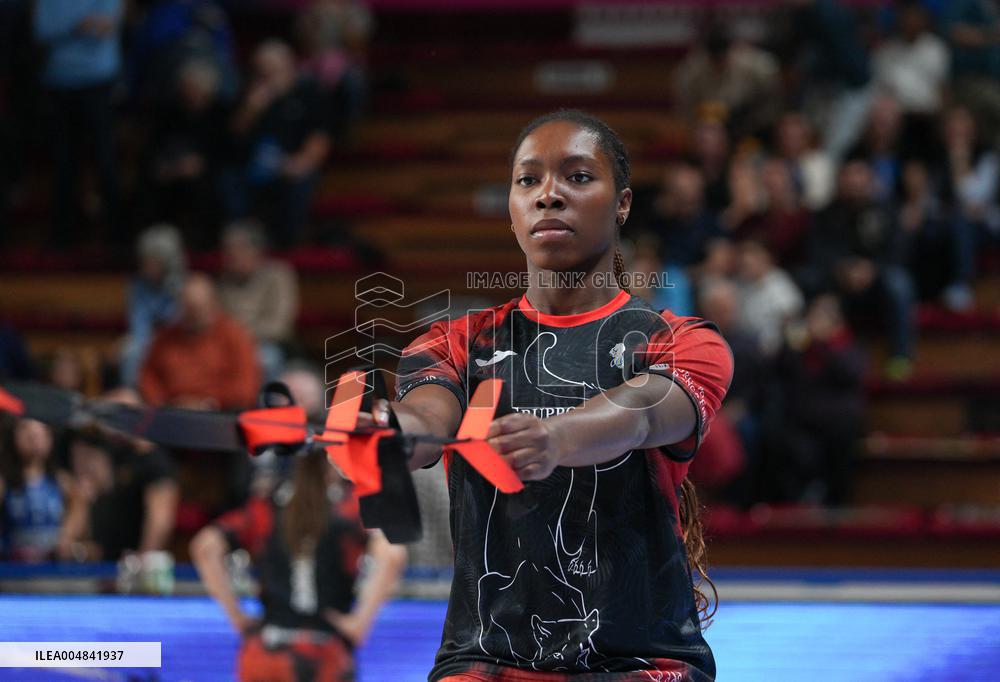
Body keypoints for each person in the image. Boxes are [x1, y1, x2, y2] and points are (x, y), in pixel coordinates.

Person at [366, 111, 733, 680]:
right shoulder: (453, 343)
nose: (549, 196)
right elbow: (425, 419)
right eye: (528, 180)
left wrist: (554, 436)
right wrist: (388, 432)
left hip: (642, 665)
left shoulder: (682, 341)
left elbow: (642, 413)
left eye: (579, 177)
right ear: (512, 213)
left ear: (623, 203)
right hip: (485, 664)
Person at [190, 447, 407, 681]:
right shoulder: (348, 510)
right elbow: (393, 554)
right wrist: (360, 622)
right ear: (332, 464)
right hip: (323, 652)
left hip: (266, 649)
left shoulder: (264, 507)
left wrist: (237, 616)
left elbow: (205, 547)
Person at [34, 0, 124, 249]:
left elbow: (106, 25)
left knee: (105, 159)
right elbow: (42, 30)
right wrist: (78, 25)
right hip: (59, 83)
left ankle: (116, 235)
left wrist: (67, 30)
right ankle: (64, 235)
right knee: (64, 162)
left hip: (99, 81)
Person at [138, 273, 261, 411]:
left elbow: (245, 388)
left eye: (199, 308)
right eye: (188, 308)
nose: (194, 315)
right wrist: (163, 403)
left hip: (219, 415)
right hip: (171, 412)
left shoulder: (234, 335)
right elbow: (148, 376)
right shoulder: (165, 338)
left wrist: (208, 402)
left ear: (213, 304)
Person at [217, 220, 300, 381]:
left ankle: (266, 405)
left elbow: (280, 326)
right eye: (227, 251)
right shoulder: (223, 281)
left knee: (265, 359)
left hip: (266, 343)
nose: (229, 257)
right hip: (229, 343)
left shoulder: (278, 275)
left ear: (254, 251)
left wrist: (241, 336)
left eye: (236, 250)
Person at [0, 418, 71, 562]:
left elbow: (79, 505)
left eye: (41, 431)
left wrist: (67, 536)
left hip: (51, 567)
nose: (33, 436)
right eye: (25, 429)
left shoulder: (61, 480)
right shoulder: (5, 481)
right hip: (12, 569)